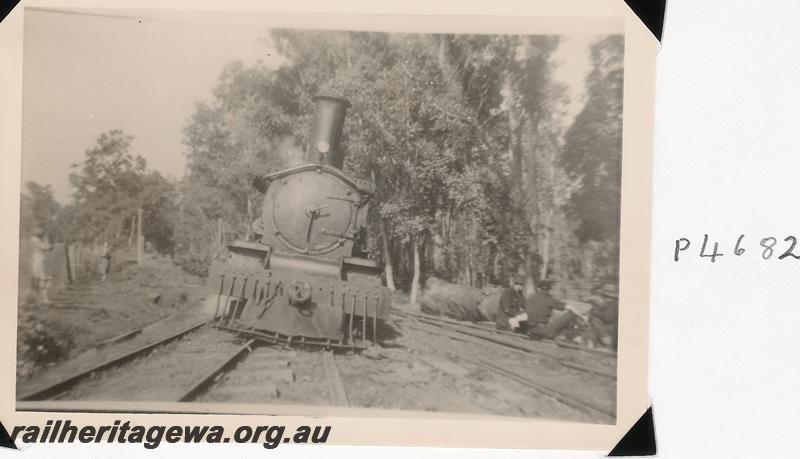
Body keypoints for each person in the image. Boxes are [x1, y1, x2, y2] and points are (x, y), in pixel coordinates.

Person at [29, 227, 53, 305]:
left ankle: (41, 299)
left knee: (41, 278)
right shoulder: (35, 239)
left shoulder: (36, 239)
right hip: (38, 259)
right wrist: (46, 239)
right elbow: (47, 247)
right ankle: (41, 299)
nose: (42, 232)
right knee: (40, 278)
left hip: (39, 258)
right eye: (40, 230)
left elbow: (47, 248)